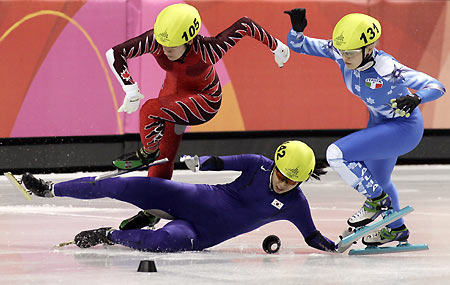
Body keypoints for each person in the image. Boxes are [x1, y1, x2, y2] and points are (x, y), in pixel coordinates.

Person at [106, 3, 290, 230]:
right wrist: (130, 88)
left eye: (172, 46)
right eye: (163, 44)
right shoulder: (156, 40)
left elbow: (245, 25)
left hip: (205, 99)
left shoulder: (209, 49)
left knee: (149, 110)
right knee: (164, 155)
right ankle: (151, 210)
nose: (164, 50)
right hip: (173, 94)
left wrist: (277, 47)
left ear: (190, 39)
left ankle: (147, 152)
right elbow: (115, 53)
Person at [284, 9, 446, 246]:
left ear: (369, 49)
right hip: (380, 124)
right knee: (380, 180)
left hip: (404, 128)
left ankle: (375, 201)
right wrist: (297, 30)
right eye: (342, 52)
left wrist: (417, 98)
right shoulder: (339, 53)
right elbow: (299, 45)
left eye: (350, 53)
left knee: (335, 154)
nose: (344, 58)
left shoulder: (388, 68)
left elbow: (437, 86)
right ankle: (395, 229)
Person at [21, 141, 337, 253]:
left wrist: (334, 246)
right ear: (277, 164)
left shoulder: (297, 205)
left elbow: (312, 236)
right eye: (283, 175)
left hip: (199, 234)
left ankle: (110, 235)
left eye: (294, 181)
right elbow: (219, 163)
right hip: (191, 199)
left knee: (158, 243)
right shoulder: (257, 164)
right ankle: (49, 189)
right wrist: (197, 161)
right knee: (121, 186)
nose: (285, 184)